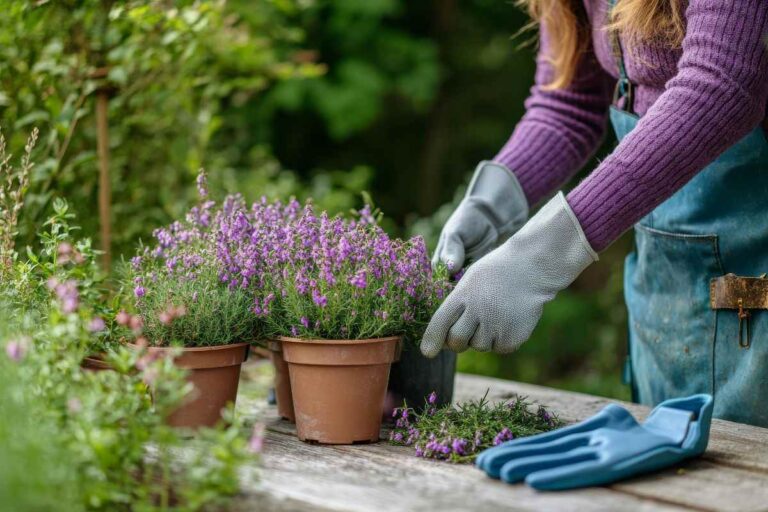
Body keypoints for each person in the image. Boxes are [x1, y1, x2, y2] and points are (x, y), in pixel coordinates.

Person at [422, 0, 768, 427]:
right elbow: (568, 103)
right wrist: (493, 203)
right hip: (670, 286)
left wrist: (538, 258)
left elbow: (722, 86)